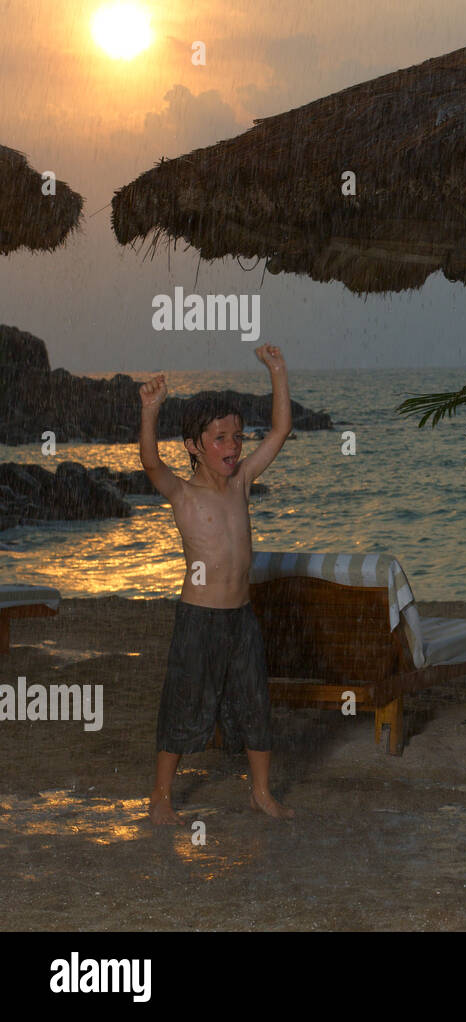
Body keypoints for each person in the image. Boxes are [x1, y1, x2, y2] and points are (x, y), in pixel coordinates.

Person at [138, 345, 295, 824]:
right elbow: (150, 463)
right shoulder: (183, 493)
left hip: (241, 616)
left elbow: (280, 430)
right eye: (221, 438)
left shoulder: (243, 480)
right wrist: (151, 411)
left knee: (255, 701)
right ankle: (161, 796)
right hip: (199, 617)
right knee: (184, 700)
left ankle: (261, 792)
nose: (234, 446)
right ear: (193, 445)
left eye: (238, 436)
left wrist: (277, 371)